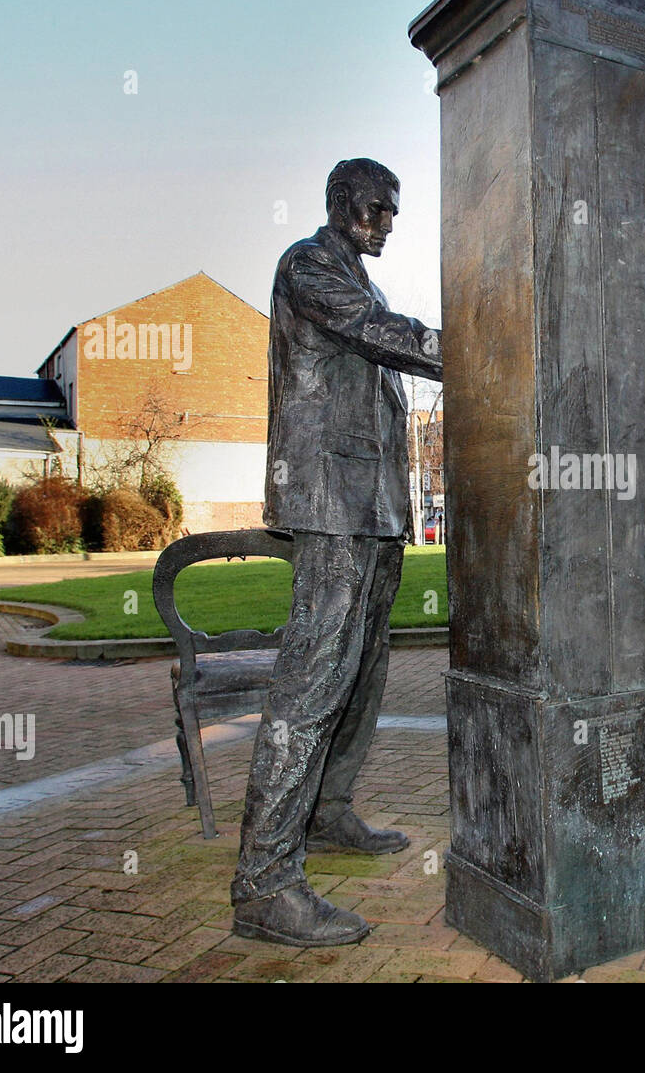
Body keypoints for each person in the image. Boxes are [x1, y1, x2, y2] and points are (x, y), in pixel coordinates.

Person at [230, 158, 442, 948]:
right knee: (314, 678)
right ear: (337, 203)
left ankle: (326, 810)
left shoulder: (363, 278)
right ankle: (264, 883)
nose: (386, 222)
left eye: (394, 212)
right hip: (329, 501)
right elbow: (382, 338)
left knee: (365, 666)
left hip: (377, 510)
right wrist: (486, 348)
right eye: (374, 209)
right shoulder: (310, 266)